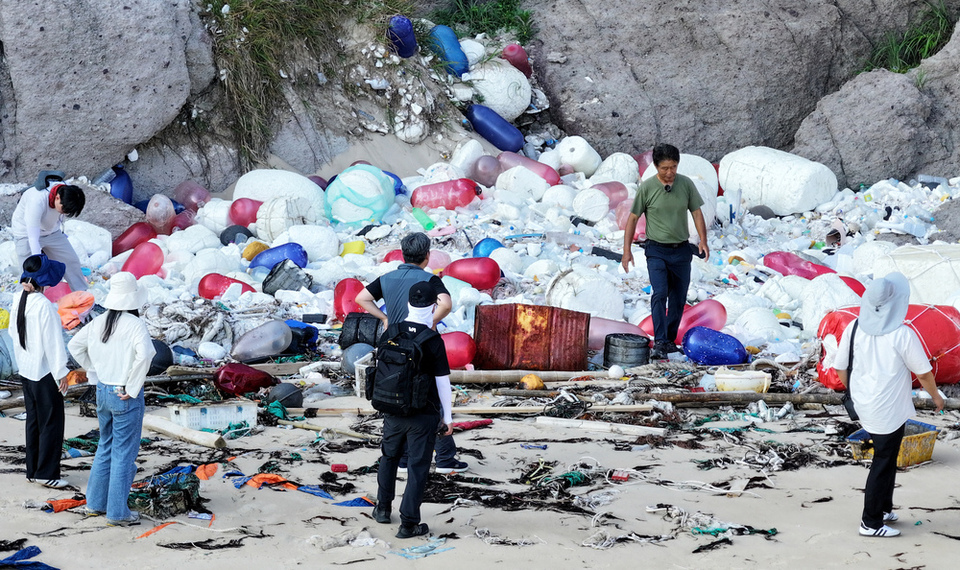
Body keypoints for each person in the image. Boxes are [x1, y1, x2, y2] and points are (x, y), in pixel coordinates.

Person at [833, 272, 944, 538]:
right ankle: (870, 523)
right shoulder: (902, 334)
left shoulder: (854, 327)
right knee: (883, 461)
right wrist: (937, 397)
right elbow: (924, 373)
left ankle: (883, 509)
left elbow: (840, 369)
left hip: (865, 404)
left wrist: (859, 391)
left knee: (889, 454)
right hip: (889, 409)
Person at [355, 232, 467, 474]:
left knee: (398, 395)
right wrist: (431, 321)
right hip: (421, 345)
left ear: (403, 254)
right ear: (427, 256)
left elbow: (361, 298)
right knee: (431, 399)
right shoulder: (429, 279)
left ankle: (403, 458)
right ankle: (445, 458)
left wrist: (385, 318)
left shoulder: (387, 278)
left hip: (393, 345)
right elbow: (446, 304)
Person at [68, 272, 155, 527]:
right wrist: (133, 385)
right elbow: (146, 354)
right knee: (123, 453)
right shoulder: (134, 324)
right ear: (132, 299)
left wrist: (95, 370)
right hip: (124, 393)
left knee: (105, 445)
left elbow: (74, 347)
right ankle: (118, 512)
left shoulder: (99, 322)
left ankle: (95, 504)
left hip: (103, 390)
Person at [372, 282, 454, 538]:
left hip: (392, 410)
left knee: (389, 458)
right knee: (417, 467)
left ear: (408, 304)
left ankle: (383, 509)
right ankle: (408, 524)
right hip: (423, 414)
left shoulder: (392, 331)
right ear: (433, 307)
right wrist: (447, 418)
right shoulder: (432, 340)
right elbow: (443, 383)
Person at [621, 144, 710, 359]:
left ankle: (669, 340)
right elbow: (632, 218)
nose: (669, 173)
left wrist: (703, 241)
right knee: (660, 293)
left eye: (673, 167)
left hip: (681, 251)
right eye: (664, 168)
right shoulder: (648, 188)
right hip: (656, 250)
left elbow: (697, 213)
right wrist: (626, 251)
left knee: (678, 298)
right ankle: (659, 341)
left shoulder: (685, 184)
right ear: (656, 167)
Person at [8, 254, 70, 489]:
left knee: (34, 420)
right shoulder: (43, 305)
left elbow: (14, 334)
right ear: (44, 280)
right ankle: (47, 473)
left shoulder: (18, 298)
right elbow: (53, 342)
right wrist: (61, 371)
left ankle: (33, 470)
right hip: (44, 372)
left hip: (26, 369)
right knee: (51, 422)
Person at [11, 170, 88, 292]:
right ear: (57, 197)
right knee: (30, 273)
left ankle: (82, 295)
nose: (64, 213)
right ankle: (27, 302)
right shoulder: (37, 200)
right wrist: (38, 261)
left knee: (71, 260)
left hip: (52, 232)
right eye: (64, 210)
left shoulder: (67, 192)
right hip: (26, 233)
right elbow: (33, 237)